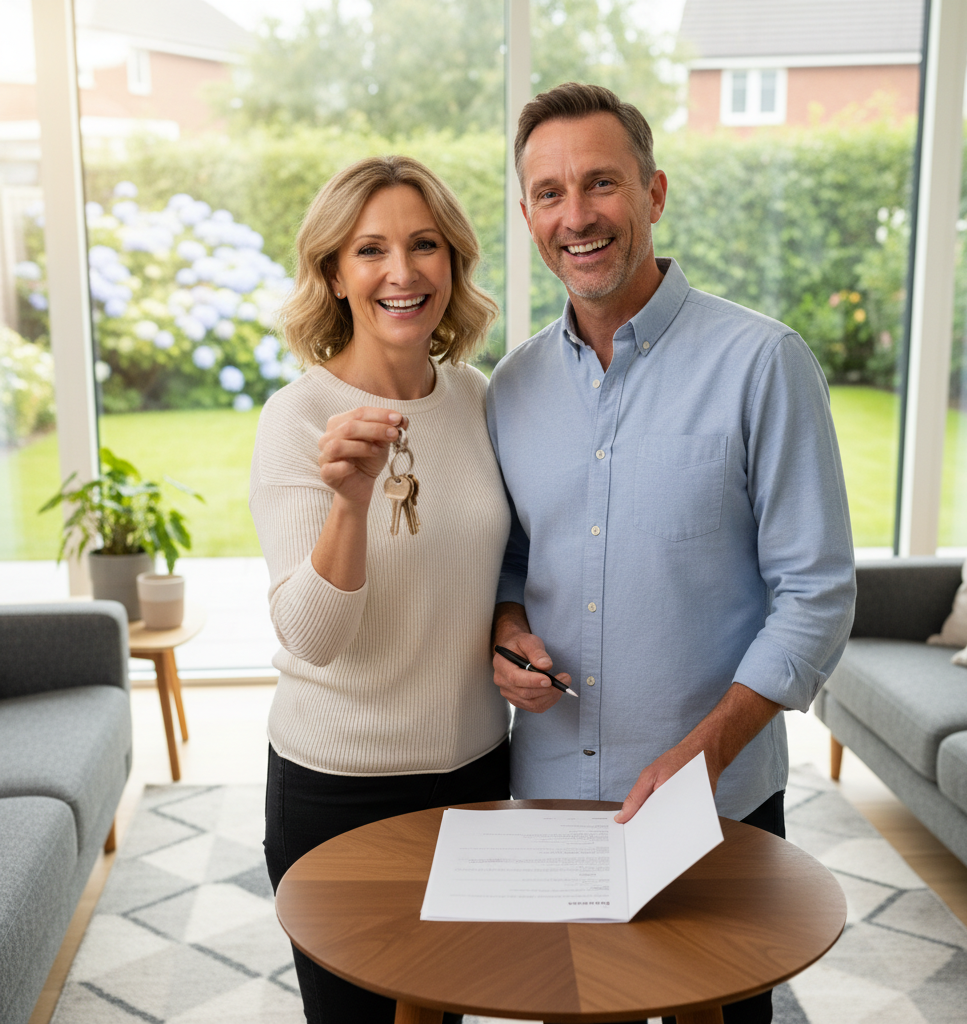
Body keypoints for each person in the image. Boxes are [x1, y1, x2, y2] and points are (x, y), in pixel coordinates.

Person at [486, 83, 857, 1024]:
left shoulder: (764, 363)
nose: (577, 217)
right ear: (528, 214)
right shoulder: (513, 386)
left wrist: (701, 755)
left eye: (601, 183)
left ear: (653, 194)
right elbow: (512, 563)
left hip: (718, 807)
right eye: (549, 193)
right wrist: (508, 626)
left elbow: (815, 594)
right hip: (555, 796)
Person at [250, 155, 511, 1024]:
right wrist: (348, 503)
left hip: (475, 773)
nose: (402, 273)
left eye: (424, 245)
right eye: (370, 250)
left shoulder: (481, 400)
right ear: (333, 272)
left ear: (454, 263)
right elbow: (309, 635)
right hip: (338, 790)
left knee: (449, 1008)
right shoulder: (296, 417)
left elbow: (497, 566)